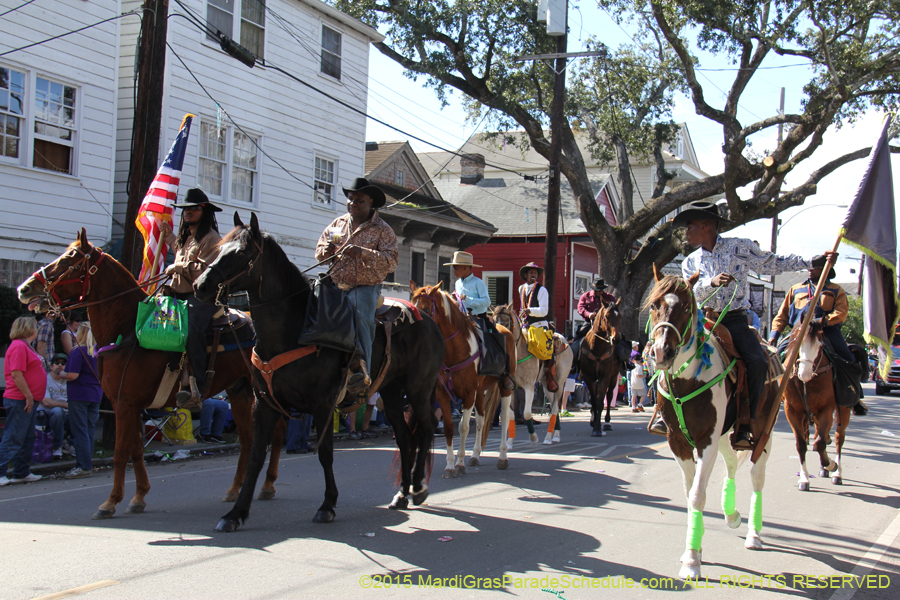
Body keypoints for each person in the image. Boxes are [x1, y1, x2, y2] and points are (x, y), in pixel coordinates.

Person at [670, 200, 817, 449]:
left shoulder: (740, 247)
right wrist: (711, 283)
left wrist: (810, 262)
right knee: (666, 351)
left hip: (734, 319)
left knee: (757, 362)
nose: (687, 233)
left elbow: (774, 263)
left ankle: (746, 421)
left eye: (690, 227)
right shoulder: (690, 262)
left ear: (705, 226)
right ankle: (665, 413)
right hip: (702, 319)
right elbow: (688, 292)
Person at [315, 177, 399, 397]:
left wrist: (363, 252)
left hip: (365, 286)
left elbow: (391, 261)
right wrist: (328, 251)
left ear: (370, 202)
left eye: (358, 200)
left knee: (360, 314)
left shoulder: (383, 230)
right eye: (350, 199)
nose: (353, 203)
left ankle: (363, 373)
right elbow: (322, 251)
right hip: (335, 283)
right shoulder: (337, 225)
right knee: (311, 310)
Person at [161, 187, 222, 409]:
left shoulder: (212, 239)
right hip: (179, 292)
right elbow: (180, 251)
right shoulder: (187, 238)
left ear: (204, 211)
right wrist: (167, 234)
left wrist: (175, 267)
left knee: (190, 325)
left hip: (202, 296)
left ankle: (197, 383)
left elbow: (202, 270)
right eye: (185, 209)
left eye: (193, 208)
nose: (188, 212)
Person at [444, 251, 514, 390]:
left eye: (456, 267)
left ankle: (505, 372)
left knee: (497, 338)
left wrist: (467, 299)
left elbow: (486, 302)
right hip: (462, 319)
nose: (454, 270)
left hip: (479, 318)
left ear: (465, 268)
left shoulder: (479, 283)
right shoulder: (458, 283)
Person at [769, 254, 854, 363]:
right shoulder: (796, 289)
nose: (810, 270)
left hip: (827, 331)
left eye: (815, 268)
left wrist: (822, 321)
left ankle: (852, 378)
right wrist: (774, 335)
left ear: (825, 270)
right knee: (776, 358)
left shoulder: (837, 290)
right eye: (809, 267)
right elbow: (782, 315)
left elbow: (841, 312)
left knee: (848, 359)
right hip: (798, 331)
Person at [0, 317, 46, 486]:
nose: (37, 329)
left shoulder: (25, 346)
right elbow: (16, 374)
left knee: (27, 437)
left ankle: (21, 471)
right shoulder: (19, 346)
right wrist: (28, 395)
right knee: (13, 437)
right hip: (20, 399)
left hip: (28, 399)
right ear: (28, 329)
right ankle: (1, 471)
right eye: (35, 327)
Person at [59, 323, 103, 479]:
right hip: (96, 393)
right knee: (89, 430)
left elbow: (72, 375)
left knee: (80, 431)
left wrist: (60, 373)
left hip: (79, 394)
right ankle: (87, 463)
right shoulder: (97, 352)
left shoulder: (78, 351)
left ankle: (83, 466)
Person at [518, 262, 558, 392]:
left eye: (535, 273)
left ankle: (549, 376)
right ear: (526, 275)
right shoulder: (521, 288)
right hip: (524, 324)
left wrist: (530, 311)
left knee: (545, 347)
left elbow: (544, 310)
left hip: (539, 324)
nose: (533, 275)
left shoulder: (542, 290)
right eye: (531, 272)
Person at [38, 353, 71, 459]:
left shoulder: (71, 381)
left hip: (67, 414)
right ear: (51, 366)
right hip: (47, 414)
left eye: (63, 363)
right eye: (56, 363)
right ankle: (57, 447)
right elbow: (46, 401)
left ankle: (73, 445)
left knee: (82, 413)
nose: (60, 365)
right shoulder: (44, 379)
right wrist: (65, 405)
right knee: (57, 412)